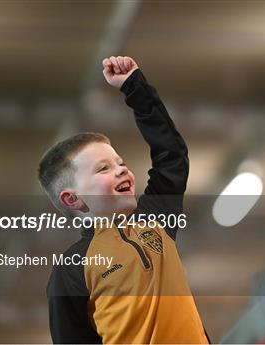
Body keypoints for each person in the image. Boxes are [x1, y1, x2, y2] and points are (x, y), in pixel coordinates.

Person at [38, 56, 209, 344]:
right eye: (103, 168)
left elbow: (171, 156)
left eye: (119, 162)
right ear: (72, 199)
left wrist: (134, 87)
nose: (120, 170)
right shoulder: (71, 269)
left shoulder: (154, 220)